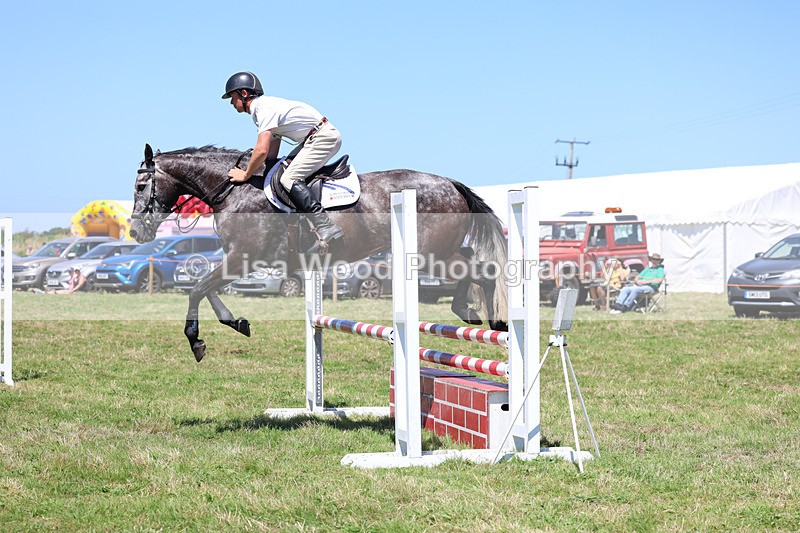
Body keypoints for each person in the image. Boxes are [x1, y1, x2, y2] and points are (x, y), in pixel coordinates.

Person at [222, 71, 344, 253]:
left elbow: (261, 149)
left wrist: (246, 174)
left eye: (232, 97)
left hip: (323, 138)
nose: (232, 102)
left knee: (289, 179)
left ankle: (326, 226)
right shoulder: (261, 111)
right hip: (313, 138)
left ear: (244, 93)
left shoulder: (262, 108)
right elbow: (271, 150)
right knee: (281, 170)